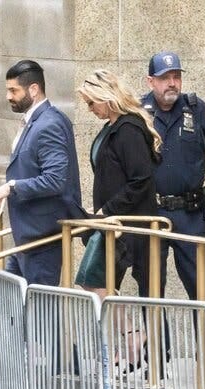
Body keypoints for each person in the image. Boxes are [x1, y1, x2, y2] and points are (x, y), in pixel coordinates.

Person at [77, 69, 162, 369]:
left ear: (106, 97)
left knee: (94, 279)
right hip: (111, 223)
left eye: (91, 103)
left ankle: (132, 337)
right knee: (94, 280)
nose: (90, 110)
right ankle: (130, 337)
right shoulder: (112, 127)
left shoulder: (127, 128)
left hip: (125, 224)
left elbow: (141, 179)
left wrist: (108, 210)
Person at [141, 51, 205, 307]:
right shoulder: (138, 113)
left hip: (191, 214)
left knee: (201, 291)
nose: (172, 83)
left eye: (176, 77)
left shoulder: (196, 109)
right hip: (152, 213)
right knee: (150, 291)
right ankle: (159, 348)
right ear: (150, 81)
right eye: (165, 78)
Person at [0, 60, 84, 286]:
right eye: (8, 90)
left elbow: (55, 179)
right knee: (7, 304)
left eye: (14, 91)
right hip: (28, 237)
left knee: (42, 314)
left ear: (33, 89)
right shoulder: (36, 122)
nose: (9, 96)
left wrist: (11, 188)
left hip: (43, 238)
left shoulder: (49, 123)